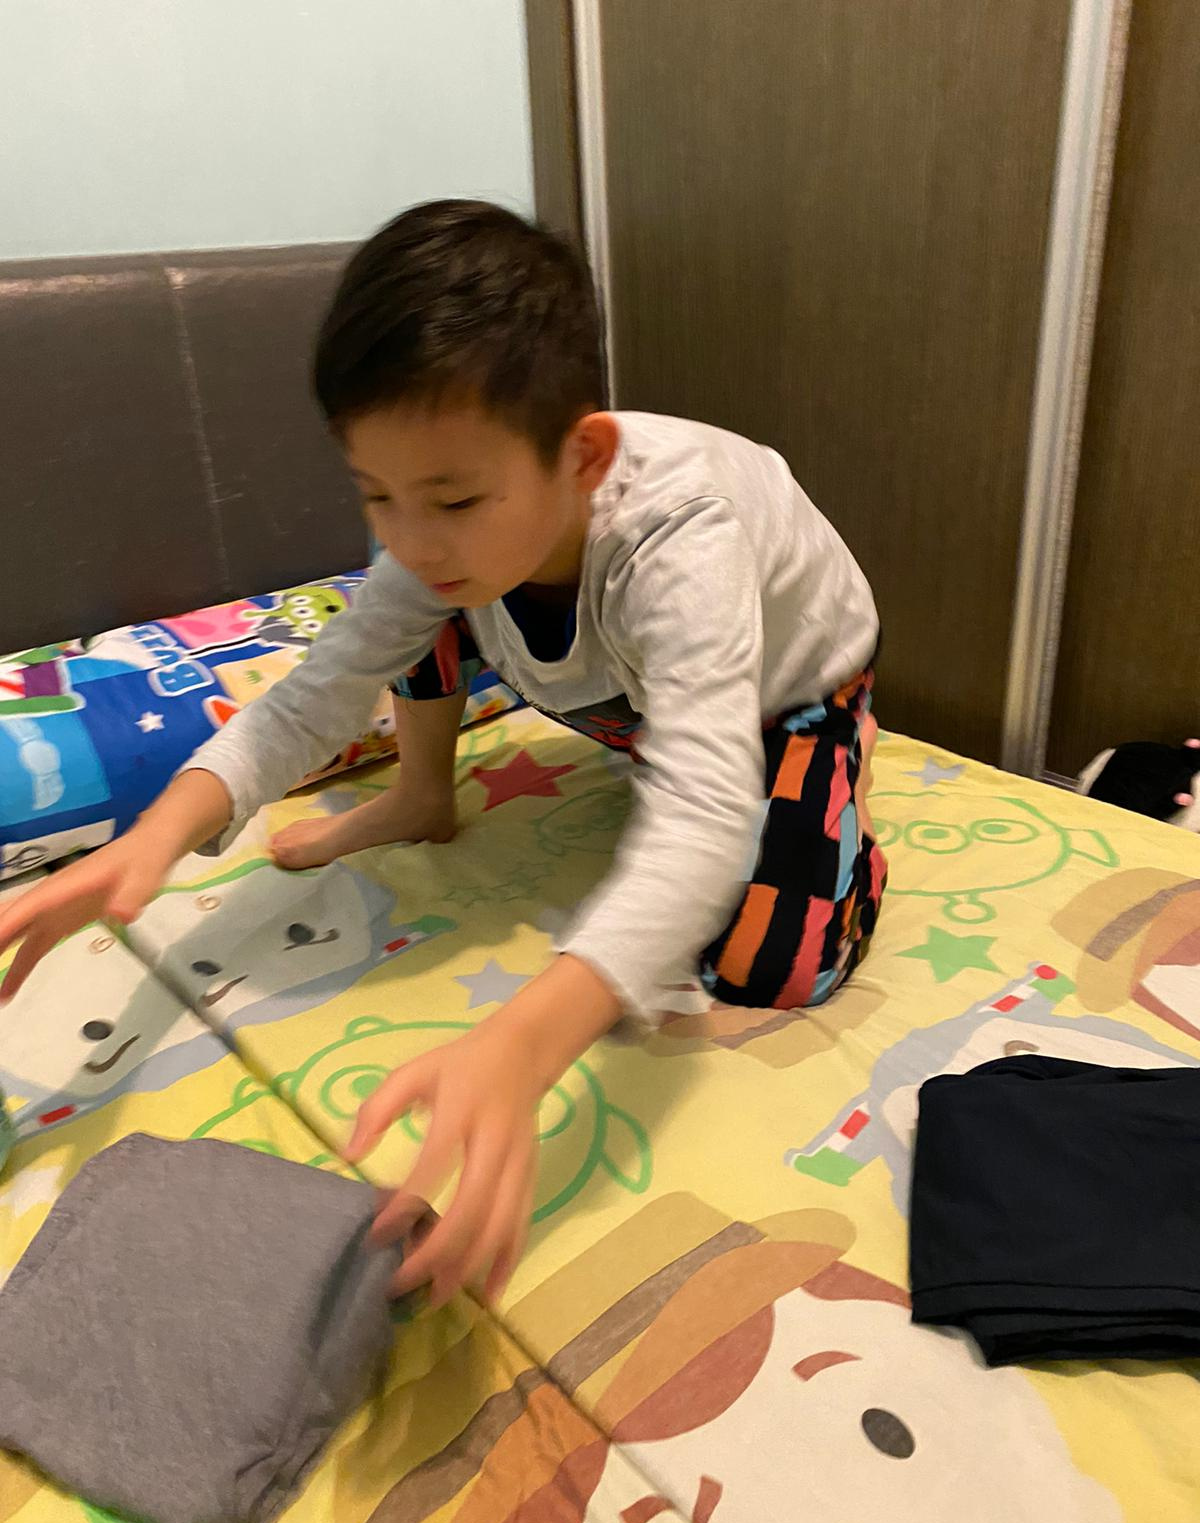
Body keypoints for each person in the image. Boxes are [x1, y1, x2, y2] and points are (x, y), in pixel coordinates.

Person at [0, 201, 884, 1307]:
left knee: (774, 967)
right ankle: (424, 795)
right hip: (623, 696)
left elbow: (704, 812)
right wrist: (155, 838)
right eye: (377, 495)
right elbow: (315, 695)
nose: (412, 537)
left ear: (584, 457)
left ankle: (844, 800)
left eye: (454, 498)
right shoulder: (446, 544)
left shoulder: (678, 537)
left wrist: (521, 1046)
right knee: (409, 609)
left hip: (785, 692)